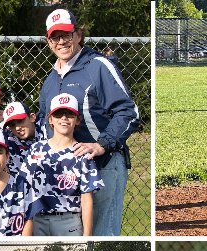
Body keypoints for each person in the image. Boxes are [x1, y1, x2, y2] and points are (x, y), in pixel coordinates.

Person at [38, 8, 140, 235]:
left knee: (102, 236)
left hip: (103, 165)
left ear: (78, 34)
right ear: (48, 41)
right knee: (75, 239)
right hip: (66, 174)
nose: (61, 41)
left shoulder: (97, 66)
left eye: (66, 34)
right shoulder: (51, 79)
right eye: (55, 36)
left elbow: (128, 111)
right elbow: (44, 125)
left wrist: (101, 144)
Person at [27, 93, 102, 235]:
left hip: (68, 221)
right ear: (50, 119)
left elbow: (86, 199)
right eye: (58, 114)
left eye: (69, 114)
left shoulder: (82, 152)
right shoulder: (36, 149)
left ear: (77, 120)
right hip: (38, 218)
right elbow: (25, 187)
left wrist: (87, 235)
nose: (64, 118)